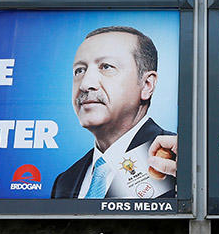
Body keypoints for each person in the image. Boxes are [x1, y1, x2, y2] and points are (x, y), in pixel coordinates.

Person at [51, 26, 176, 199]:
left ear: (147, 85)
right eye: (80, 70)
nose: (85, 84)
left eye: (106, 67)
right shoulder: (65, 181)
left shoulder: (181, 160)